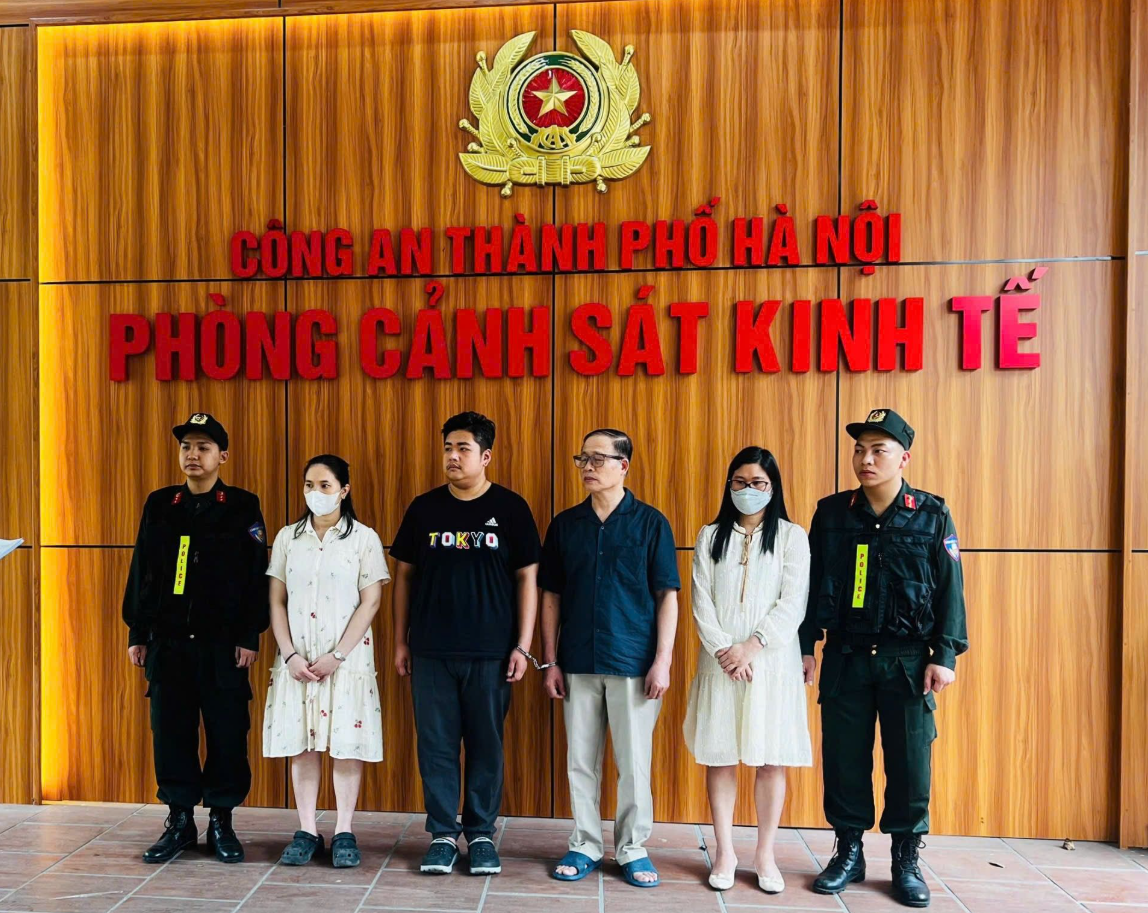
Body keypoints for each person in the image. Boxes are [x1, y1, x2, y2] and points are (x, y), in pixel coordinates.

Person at [799, 409, 968, 909]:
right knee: (844, 760)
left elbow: (950, 588)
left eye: (879, 450)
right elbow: (810, 584)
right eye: (859, 450)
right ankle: (848, 852)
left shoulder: (931, 514)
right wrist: (805, 645)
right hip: (846, 657)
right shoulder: (832, 514)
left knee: (910, 763)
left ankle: (905, 859)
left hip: (907, 661)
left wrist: (945, 653)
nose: (866, 459)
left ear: (904, 458)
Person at [390, 412, 541, 877]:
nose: (453, 457)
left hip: (491, 652)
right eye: (448, 448)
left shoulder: (511, 508)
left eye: (463, 449)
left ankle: (480, 835)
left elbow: (528, 579)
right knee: (435, 746)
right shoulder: (424, 509)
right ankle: (441, 835)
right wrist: (400, 641)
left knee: (485, 747)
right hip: (431, 650)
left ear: (485, 456)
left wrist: (523, 646)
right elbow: (404, 577)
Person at [122, 413, 270, 864]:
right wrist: (138, 631)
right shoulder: (161, 504)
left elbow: (255, 576)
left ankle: (221, 820)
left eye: (203, 447)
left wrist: (249, 634)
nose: (193, 454)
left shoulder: (241, 505)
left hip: (223, 645)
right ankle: (180, 821)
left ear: (222, 456)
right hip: (168, 643)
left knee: (228, 733)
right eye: (186, 446)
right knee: (170, 732)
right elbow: (143, 569)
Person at [540, 429, 680, 889]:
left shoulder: (651, 523)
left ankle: (632, 848)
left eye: (599, 458)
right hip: (577, 659)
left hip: (633, 660)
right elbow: (551, 596)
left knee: (634, 763)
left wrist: (662, 660)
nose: (588, 466)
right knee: (580, 760)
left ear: (624, 465)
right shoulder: (565, 525)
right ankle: (584, 844)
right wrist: (550, 660)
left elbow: (667, 596)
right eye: (583, 458)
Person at [682, 447, 811, 895]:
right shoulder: (710, 535)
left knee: (770, 758)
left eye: (758, 483)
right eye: (740, 481)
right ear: (729, 485)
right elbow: (700, 599)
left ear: (773, 488)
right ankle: (724, 851)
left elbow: (793, 602)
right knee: (720, 755)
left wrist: (752, 647)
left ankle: (765, 854)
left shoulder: (792, 537)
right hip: (720, 664)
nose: (748, 490)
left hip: (770, 664)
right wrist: (725, 651)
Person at [263, 455, 389, 868]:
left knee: (345, 746)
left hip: (345, 661)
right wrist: (289, 654)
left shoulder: (363, 539)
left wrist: (337, 655)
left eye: (324, 485)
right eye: (309, 485)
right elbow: (276, 599)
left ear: (343, 490)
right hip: (298, 661)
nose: (315, 493)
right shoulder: (288, 537)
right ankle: (306, 830)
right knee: (302, 745)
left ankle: (344, 830)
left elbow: (371, 601)